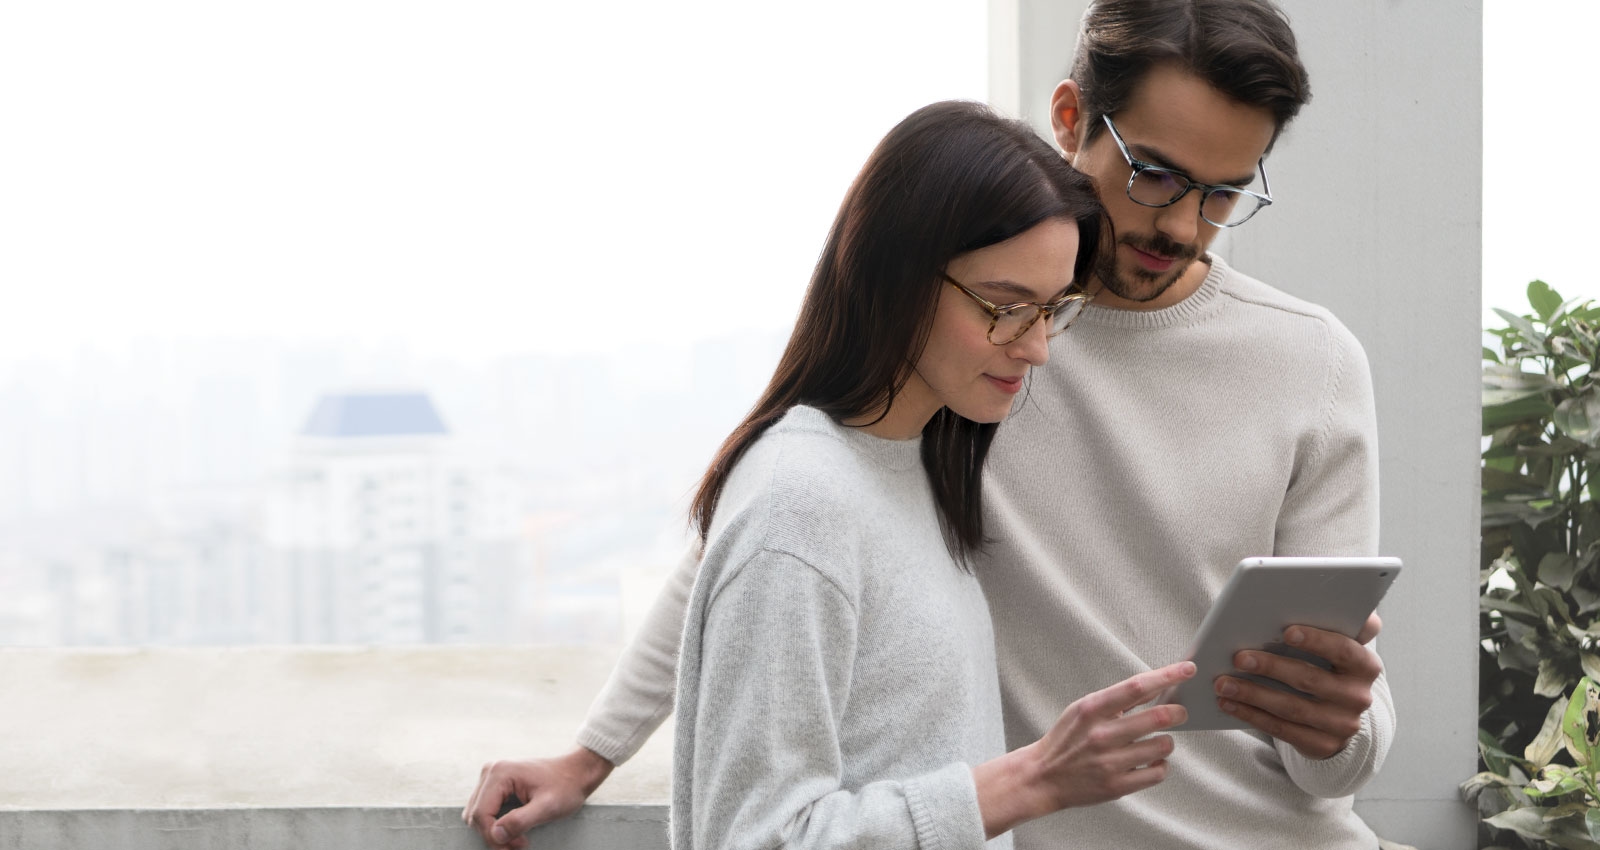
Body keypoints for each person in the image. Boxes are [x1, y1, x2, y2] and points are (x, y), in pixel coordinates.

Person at [465, 1, 1395, 848]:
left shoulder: (1310, 364)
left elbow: (1341, 747)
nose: (1187, 226)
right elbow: (770, 547)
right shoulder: (967, 346)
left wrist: (1344, 727)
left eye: (1225, 193)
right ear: (1071, 118)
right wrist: (593, 753)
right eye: (1155, 175)